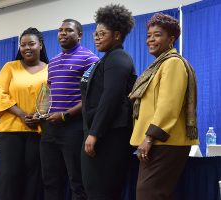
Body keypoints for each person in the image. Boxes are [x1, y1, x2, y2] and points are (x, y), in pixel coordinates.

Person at [129, 13, 199, 200]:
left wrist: (150, 138)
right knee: (159, 194)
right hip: (161, 141)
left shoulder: (173, 63)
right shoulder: (159, 65)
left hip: (164, 142)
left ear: (171, 39)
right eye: (149, 35)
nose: (151, 39)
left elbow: (168, 105)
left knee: (148, 195)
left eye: (157, 34)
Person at [0, 27, 48, 200]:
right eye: (23, 44)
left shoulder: (50, 69)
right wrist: (21, 114)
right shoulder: (10, 67)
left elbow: (52, 98)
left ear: (40, 45)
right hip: (10, 132)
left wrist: (39, 117)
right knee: (9, 177)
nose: (27, 48)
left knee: (34, 179)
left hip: (38, 131)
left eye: (31, 44)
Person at [80, 4, 136, 200]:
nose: (96, 37)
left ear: (117, 35)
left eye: (102, 33)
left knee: (102, 193)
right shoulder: (106, 59)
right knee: (94, 190)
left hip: (110, 137)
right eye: (95, 33)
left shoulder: (118, 59)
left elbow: (110, 98)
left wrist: (94, 133)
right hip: (102, 133)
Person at [40, 19, 99, 200]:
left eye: (68, 30)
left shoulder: (90, 59)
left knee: (76, 181)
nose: (63, 33)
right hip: (50, 128)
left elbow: (91, 98)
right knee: (50, 181)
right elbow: (48, 92)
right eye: (60, 30)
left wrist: (65, 116)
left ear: (79, 35)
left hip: (73, 128)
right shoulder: (54, 62)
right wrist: (42, 111)